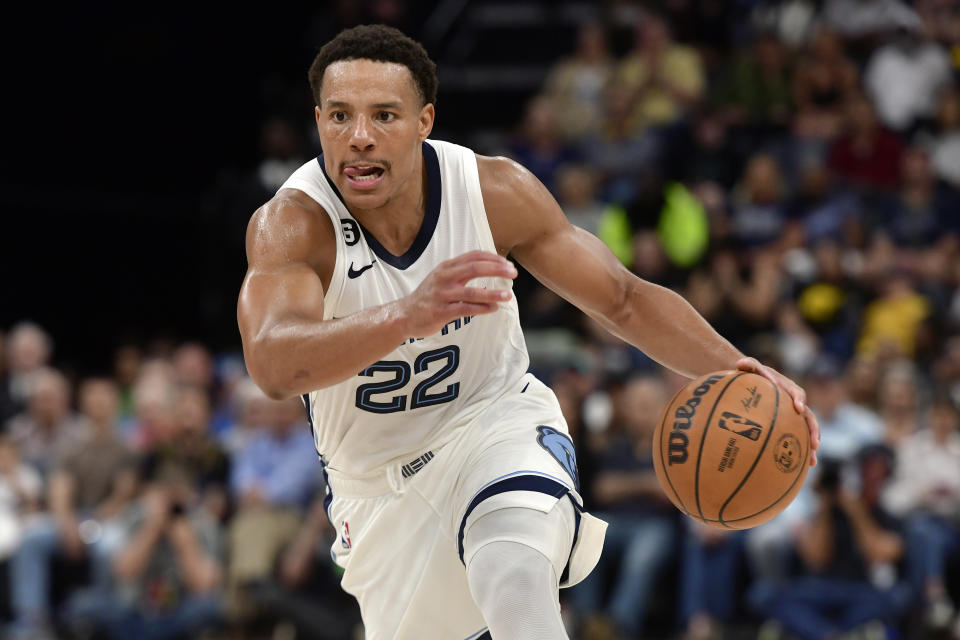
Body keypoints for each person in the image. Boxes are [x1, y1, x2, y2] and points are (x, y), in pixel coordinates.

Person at [236, 25, 820, 640]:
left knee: (512, 572)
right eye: (339, 116)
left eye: (384, 115)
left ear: (423, 121)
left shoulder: (491, 192)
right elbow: (272, 366)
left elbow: (622, 299)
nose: (359, 137)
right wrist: (407, 316)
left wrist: (736, 369)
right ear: (319, 120)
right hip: (376, 488)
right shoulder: (293, 225)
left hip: (495, 424)